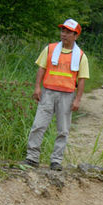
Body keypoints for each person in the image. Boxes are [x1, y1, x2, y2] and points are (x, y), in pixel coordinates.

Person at [24, 18, 90, 171]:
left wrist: (78, 99)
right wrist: (37, 88)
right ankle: (32, 158)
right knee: (38, 125)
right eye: (63, 31)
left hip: (67, 96)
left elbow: (81, 80)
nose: (64, 34)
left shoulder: (80, 56)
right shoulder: (50, 49)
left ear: (76, 35)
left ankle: (56, 161)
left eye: (68, 32)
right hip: (47, 93)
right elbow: (41, 68)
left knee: (63, 130)